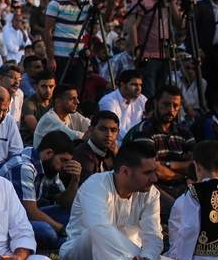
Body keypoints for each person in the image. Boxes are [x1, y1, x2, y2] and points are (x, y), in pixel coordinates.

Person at [58, 141, 163, 260]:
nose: (154, 179)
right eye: (147, 173)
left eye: (154, 171)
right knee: (98, 233)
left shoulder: (151, 194)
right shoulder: (95, 185)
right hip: (81, 254)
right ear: (125, 172)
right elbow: (99, 227)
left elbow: (153, 236)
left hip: (132, 258)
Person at [0, 131, 82, 252]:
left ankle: (67, 241)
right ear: (48, 153)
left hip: (25, 216)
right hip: (3, 221)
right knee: (46, 231)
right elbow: (30, 212)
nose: (65, 166)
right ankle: (69, 244)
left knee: (73, 213)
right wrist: (61, 229)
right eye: (63, 160)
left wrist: (75, 179)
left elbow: (65, 203)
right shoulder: (24, 167)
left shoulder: (49, 167)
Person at [126, 84, 195, 215]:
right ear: (156, 103)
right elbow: (156, 171)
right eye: (166, 104)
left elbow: (196, 166)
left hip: (182, 186)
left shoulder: (184, 131)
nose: (171, 109)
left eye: (175, 106)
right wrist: (183, 170)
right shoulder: (144, 131)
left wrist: (169, 164)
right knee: (176, 209)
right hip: (154, 187)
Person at [99, 69, 146, 145]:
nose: (138, 88)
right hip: (114, 144)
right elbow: (114, 126)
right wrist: (132, 139)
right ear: (122, 85)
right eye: (134, 85)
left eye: (140, 85)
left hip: (137, 142)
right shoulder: (108, 101)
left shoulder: (142, 100)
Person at [72, 111, 119, 177]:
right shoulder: (81, 155)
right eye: (102, 129)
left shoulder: (111, 156)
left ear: (118, 132)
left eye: (113, 130)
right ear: (91, 130)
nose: (109, 135)